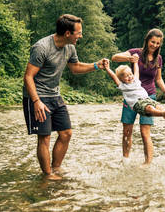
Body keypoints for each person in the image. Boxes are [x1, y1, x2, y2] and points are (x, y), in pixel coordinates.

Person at [23, 14, 107, 180]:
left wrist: (96, 65)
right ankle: (47, 175)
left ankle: (56, 168)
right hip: (37, 96)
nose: (81, 36)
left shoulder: (70, 47)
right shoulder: (41, 47)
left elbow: (75, 67)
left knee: (66, 133)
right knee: (45, 137)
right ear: (68, 33)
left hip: (55, 95)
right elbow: (28, 77)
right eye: (79, 33)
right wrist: (36, 101)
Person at [111, 28, 165, 165]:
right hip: (131, 96)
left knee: (145, 132)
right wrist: (130, 58)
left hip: (148, 96)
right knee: (127, 131)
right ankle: (125, 161)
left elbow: (158, 79)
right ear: (147, 40)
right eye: (152, 42)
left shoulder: (158, 59)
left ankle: (147, 163)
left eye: (157, 43)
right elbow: (114, 57)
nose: (154, 45)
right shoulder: (135, 52)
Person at [104, 58, 165, 122]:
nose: (130, 77)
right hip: (137, 103)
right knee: (150, 108)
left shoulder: (136, 80)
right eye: (126, 76)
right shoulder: (122, 86)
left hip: (147, 99)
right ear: (121, 79)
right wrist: (107, 68)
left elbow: (136, 70)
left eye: (130, 74)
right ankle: (163, 114)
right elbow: (113, 76)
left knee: (159, 106)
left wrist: (135, 62)